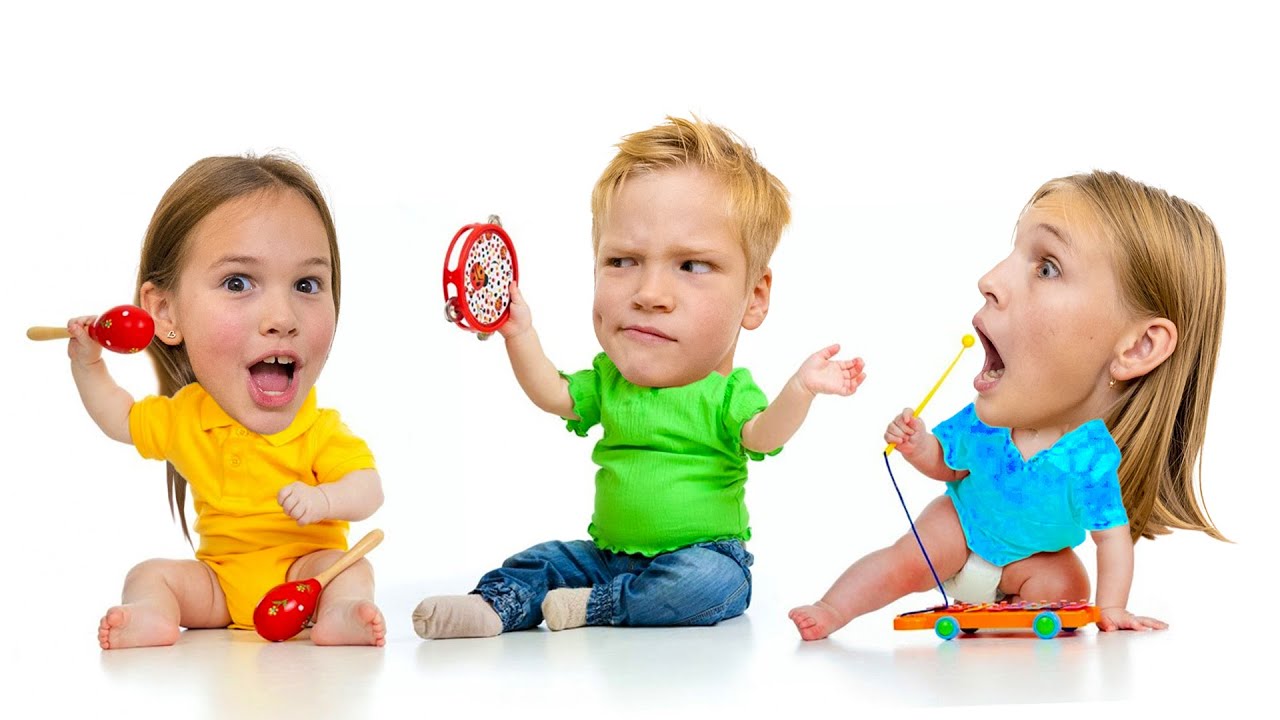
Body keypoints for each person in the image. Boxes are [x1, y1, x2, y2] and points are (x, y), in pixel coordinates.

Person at [414, 116, 866, 638]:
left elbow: (764, 434)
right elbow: (553, 393)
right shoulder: (610, 381)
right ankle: (494, 607)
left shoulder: (726, 396)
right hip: (607, 555)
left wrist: (801, 388)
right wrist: (520, 333)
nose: (649, 293)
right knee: (541, 559)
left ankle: (592, 607)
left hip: (703, 554)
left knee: (710, 583)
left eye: (692, 265)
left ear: (754, 297)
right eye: (623, 260)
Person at [790, 170, 1226, 640]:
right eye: (1014, 254)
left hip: (1030, 561)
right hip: (961, 526)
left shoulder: (1091, 458)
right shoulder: (984, 421)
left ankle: (1000, 613)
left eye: (1047, 267)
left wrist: (1111, 607)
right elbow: (949, 467)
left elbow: (1111, 539)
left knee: (1068, 583)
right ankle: (833, 609)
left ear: (1138, 347)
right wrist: (919, 447)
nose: (989, 280)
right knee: (905, 560)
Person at [66, 154, 386, 649]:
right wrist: (89, 366)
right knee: (148, 574)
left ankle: (339, 613)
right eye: (238, 282)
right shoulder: (188, 418)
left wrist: (324, 501)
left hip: (305, 580)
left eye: (307, 284)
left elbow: (369, 491)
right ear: (165, 312)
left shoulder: (317, 429)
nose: (282, 317)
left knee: (350, 569)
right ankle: (154, 615)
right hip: (218, 584)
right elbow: (121, 418)